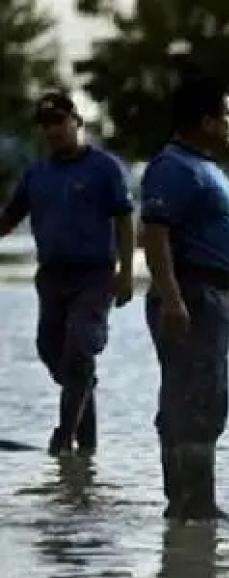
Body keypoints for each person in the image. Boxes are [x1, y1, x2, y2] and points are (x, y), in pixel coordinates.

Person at [0, 92, 135, 455]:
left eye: (59, 122)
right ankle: (85, 450)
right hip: (52, 277)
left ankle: (63, 438)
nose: (52, 131)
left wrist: (126, 271)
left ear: (76, 121)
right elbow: (9, 218)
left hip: (94, 276)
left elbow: (125, 218)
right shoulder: (37, 173)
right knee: (51, 351)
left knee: (79, 350)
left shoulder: (104, 168)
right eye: (45, 125)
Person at [140, 75, 229, 521]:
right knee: (197, 400)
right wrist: (173, 299)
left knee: (197, 397)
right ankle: (193, 504)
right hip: (191, 293)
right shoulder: (174, 167)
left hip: (210, 294)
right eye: (227, 114)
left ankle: (189, 502)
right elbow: (155, 235)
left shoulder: (202, 166)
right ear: (205, 121)